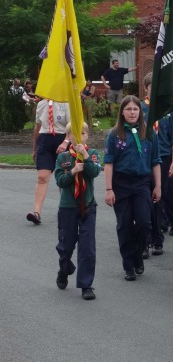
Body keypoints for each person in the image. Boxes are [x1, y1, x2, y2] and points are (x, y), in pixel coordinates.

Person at [104, 96, 161, 281]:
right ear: (122, 112)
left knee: (144, 223)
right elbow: (109, 163)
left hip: (141, 184)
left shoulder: (149, 133)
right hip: (121, 184)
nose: (132, 112)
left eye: (135, 109)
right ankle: (129, 265)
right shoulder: (114, 135)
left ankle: (138, 254)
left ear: (140, 112)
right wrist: (109, 189)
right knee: (125, 226)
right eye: (128, 109)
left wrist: (158, 186)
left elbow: (155, 162)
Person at [54, 121, 100, 300]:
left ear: (87, 135)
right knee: (66, 244)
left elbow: (95, 172)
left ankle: (86, 285)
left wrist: (86, 156)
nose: (79, 136)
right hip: (68, 206)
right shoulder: (63, 158)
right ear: (68, 137)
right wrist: (72, 172)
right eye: (74, 133)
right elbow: (59, 181)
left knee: (87, 247)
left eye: (82, 133)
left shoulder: (93, 154)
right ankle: (64, 269)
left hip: (87, 205)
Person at [141, 73, 173, 258]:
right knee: (144, 200)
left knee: (159, 198)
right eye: (151, 86)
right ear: (146, 88)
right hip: (144, 159)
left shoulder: (168, 110)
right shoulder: (139, 109)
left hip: (163, 158)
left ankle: (157, 240)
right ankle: (145, 239)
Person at [28, 99, 70, 225]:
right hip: (45, 140)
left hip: (62, 139)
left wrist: (65, 142)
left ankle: (67, 209)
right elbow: (37, 127)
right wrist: (35, 148)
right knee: (42, 177)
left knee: (64, 177)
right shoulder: (41, 104)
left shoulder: (66, 103)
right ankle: (36, 213)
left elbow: (72, 126)